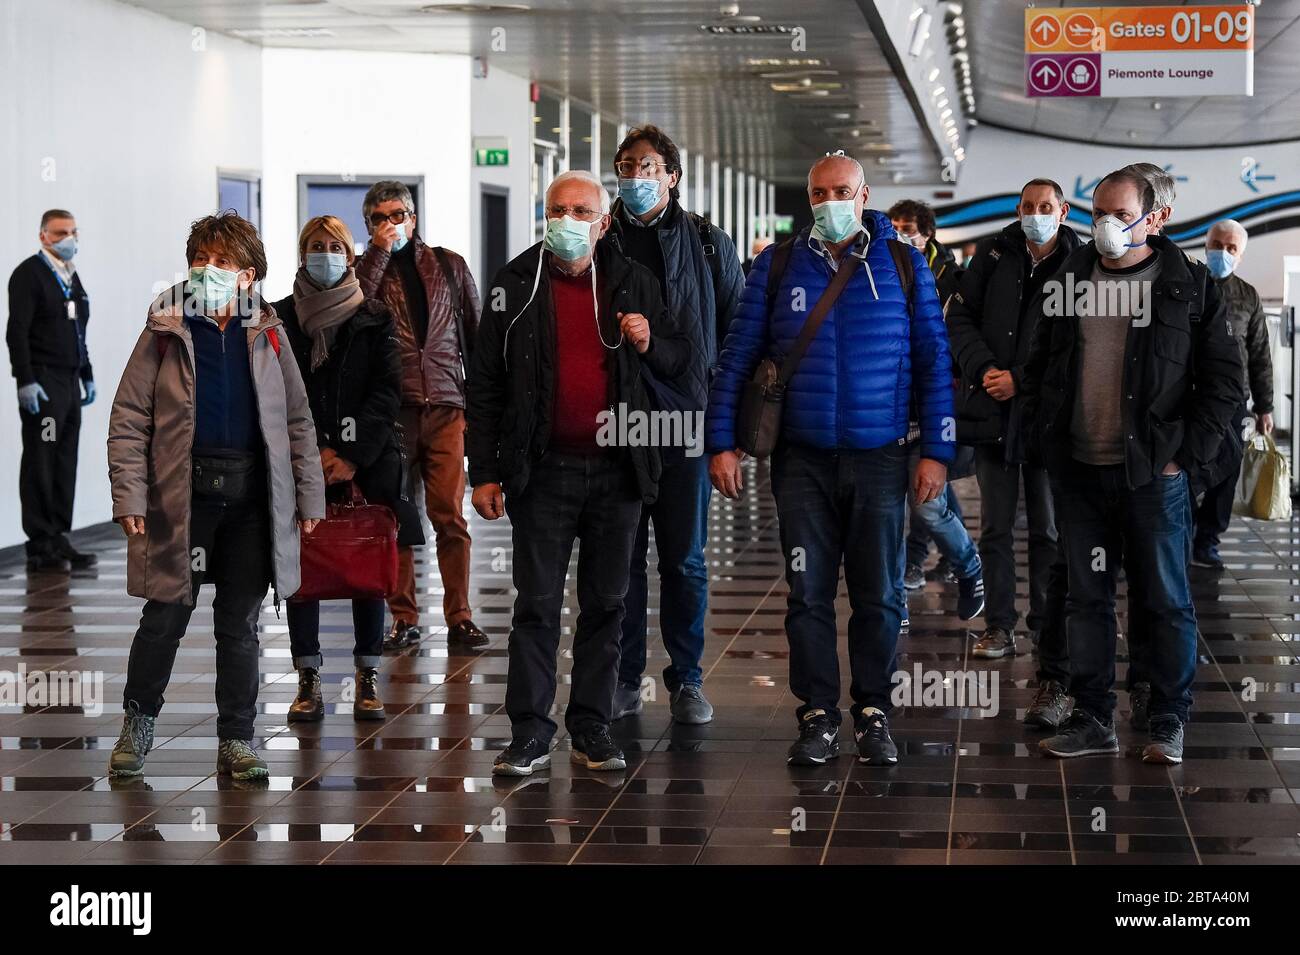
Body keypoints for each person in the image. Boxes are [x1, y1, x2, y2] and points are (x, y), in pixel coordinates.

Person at [707, 152, 956, 767]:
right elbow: (737, 358)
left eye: (840, 192)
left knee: (880, 596)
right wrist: (721, 443)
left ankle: (874, 712)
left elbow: (933, 360)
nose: (828, 203)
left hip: (880, 458)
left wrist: (938, 452)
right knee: (807, 593)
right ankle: (816, 713)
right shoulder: (777, 264)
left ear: (864, 193)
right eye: (818, 193)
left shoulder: (903, 264)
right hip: (801, 461)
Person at [466, 170, 689, 776]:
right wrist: (483, 472)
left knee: (607, 603)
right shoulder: (515, 283)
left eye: (581, 211)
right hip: (541, 472)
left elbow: (680, 356)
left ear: (603, 221)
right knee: (535, 605)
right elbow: (484, 385)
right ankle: (531, 732)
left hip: (617, 470)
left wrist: (648, 343)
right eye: (557, 210)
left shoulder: (633, 280)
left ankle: (592, 724)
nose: (568, 221)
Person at [1020, 168, 1242, 764]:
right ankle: (1094, 716)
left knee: (1165, 598)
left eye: (1120, 215)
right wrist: (1044, 441)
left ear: (1156, 219)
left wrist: (1184, 461)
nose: (1106, 226)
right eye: (1099, 213)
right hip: (1080, 472)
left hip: (1151, 476)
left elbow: (1224, 385)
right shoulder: (1069, 277)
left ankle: (1168, 717)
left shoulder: (1189, 287)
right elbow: (1040, 364)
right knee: (1086, 599)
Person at [107, 211, 326, 779]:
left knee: (241, 624)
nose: (208, 270)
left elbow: (298, 422)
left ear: (249, 274)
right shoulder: (166, 330)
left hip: (251, 504)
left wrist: (309, 501)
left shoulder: (269, 334)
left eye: (222, 262)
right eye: (200, 260)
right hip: (183, 501)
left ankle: (238, 740)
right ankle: (138, 722)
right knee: (164, 618)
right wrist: (129, 496)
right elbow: (130, 417)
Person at [602, 124, 745, 725]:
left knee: (684, 559)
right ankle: (625, 676)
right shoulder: (596, 240)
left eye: (648, 166)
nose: (636, 176)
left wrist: (725, 438)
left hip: (686, 422)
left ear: (673, 176)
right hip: (620, 424)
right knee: (623, 558)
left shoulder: (708, 243)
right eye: (627, 165)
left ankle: (686, 677)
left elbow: (736, 337)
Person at [275, 215, 426, 723]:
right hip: (302, 460)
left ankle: (366, 675)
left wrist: (349, 454)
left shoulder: (376, 317)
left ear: (349, 253)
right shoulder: (278, 319)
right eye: (315, 246)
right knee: (304, 566)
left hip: (365, 462)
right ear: (301, 254)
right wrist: (311, 453)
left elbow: (387, 392)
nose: (325, 254)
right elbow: (277, 394)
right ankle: (308, 677)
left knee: (365, 564)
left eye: (334, 246)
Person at [945, 179, 1080, 707]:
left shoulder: (1078, 261)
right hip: (991, 412)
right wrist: (986, 371)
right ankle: (1000, 625)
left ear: (1063, 210)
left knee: (1047, 530)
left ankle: (1046, 627)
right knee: (996, 527)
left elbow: (1075, 340)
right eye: (1028, 207)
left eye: (1045, 207)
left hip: (1045, 418)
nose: (1036, 215)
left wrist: (1022, 378)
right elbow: (960, 319)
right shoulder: (994, 254)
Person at [355, 180, 487, 652]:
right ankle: (403, 617)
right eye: (380, 218)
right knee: (396, 517)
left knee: (450, 513)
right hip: (393, 412)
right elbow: (357, 313)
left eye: (400, 214)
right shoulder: (363, 271)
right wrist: (376, 256)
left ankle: (460, 616)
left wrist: (479, 407)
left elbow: (476, 337)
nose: (393, 224)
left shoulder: (449, 266)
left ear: (415, 217)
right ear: (369, 225)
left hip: (447, 406)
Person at [6, 209, 97, 572]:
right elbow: (17, 331)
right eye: (61, 232)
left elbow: (79, 333)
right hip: (44, 381)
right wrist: (25, 379)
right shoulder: (30, 275)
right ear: (44, 235)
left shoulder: (71, 278)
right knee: (41, 459)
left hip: (69, 381)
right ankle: (40, 541)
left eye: (73, 231)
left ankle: (58, 535)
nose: (69, 239)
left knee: (64, 459)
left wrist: (86, 373)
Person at [1194, 219, 1273, 568]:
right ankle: (1180, 535)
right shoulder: (1188, 286)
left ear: (1239, 256)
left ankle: (1207, 540)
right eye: (1217, 245)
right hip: (1189, 398)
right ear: (1205, 245)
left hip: (1233, 402)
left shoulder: (1248, 296)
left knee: (1226, 472)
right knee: (1184, 470)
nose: (1222, 253)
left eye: (1231, 249)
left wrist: (1264, 406)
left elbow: (1259, 354)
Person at [889, 198, 962, 306]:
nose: (898, 235)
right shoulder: (881, 263)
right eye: (894, 228)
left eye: (907, 229)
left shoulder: (949, 271)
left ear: (927, 234)